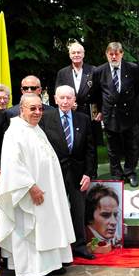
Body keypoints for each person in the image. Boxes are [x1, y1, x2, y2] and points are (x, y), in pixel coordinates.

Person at [0, 93, 77, 276]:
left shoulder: (35, 128)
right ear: (21, 109)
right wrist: (31, 187)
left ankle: (53, 264)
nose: (38, 112)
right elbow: (13, 165)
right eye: (32, 108)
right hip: (28, 193)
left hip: (48, 190)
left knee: (48, 226)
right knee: (32, 230)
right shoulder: (14, 132)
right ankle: (35, 269)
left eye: (40, 108)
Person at [43, 85, 97, 259]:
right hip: (54, 173)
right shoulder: (45, 119)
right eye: (62, 98)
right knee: (54, 210)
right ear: (55, 99)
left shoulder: (83, 119)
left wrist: (88, 173)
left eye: (69, 98)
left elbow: (91, 150)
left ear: (74, 100)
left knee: (78, 210)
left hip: (78, 173)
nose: (65, 101)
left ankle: (80, 245)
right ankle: (58, 248)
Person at [93, 41, 139, 187]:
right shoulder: (99, 71)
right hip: (110, 113)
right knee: (113, 147)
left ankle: (130, 172)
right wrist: (100, 111)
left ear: (122, 54)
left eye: (116, 54)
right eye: (111, 54)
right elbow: (96, 93)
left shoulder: (133, 68)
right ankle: (116, 174)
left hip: (129, 113)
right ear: (107, 54)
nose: (113, 57)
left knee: (131, 145)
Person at [55, 41, 96, 118]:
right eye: (73, 53)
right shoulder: (62, 73)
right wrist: (70, 103)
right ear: (70, 55)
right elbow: (58, 94)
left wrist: (99, 111)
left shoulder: (93, 70)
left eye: (79, 52)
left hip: (89, 113)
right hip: (70, 112)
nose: (76, 55)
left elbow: (99, 93)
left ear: (83, 54)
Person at [84, 184, 122, 254]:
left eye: (115, 215)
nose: (114, 222)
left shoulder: (115, 239)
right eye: (105, 215)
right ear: (90, 217)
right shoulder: (84, 239)